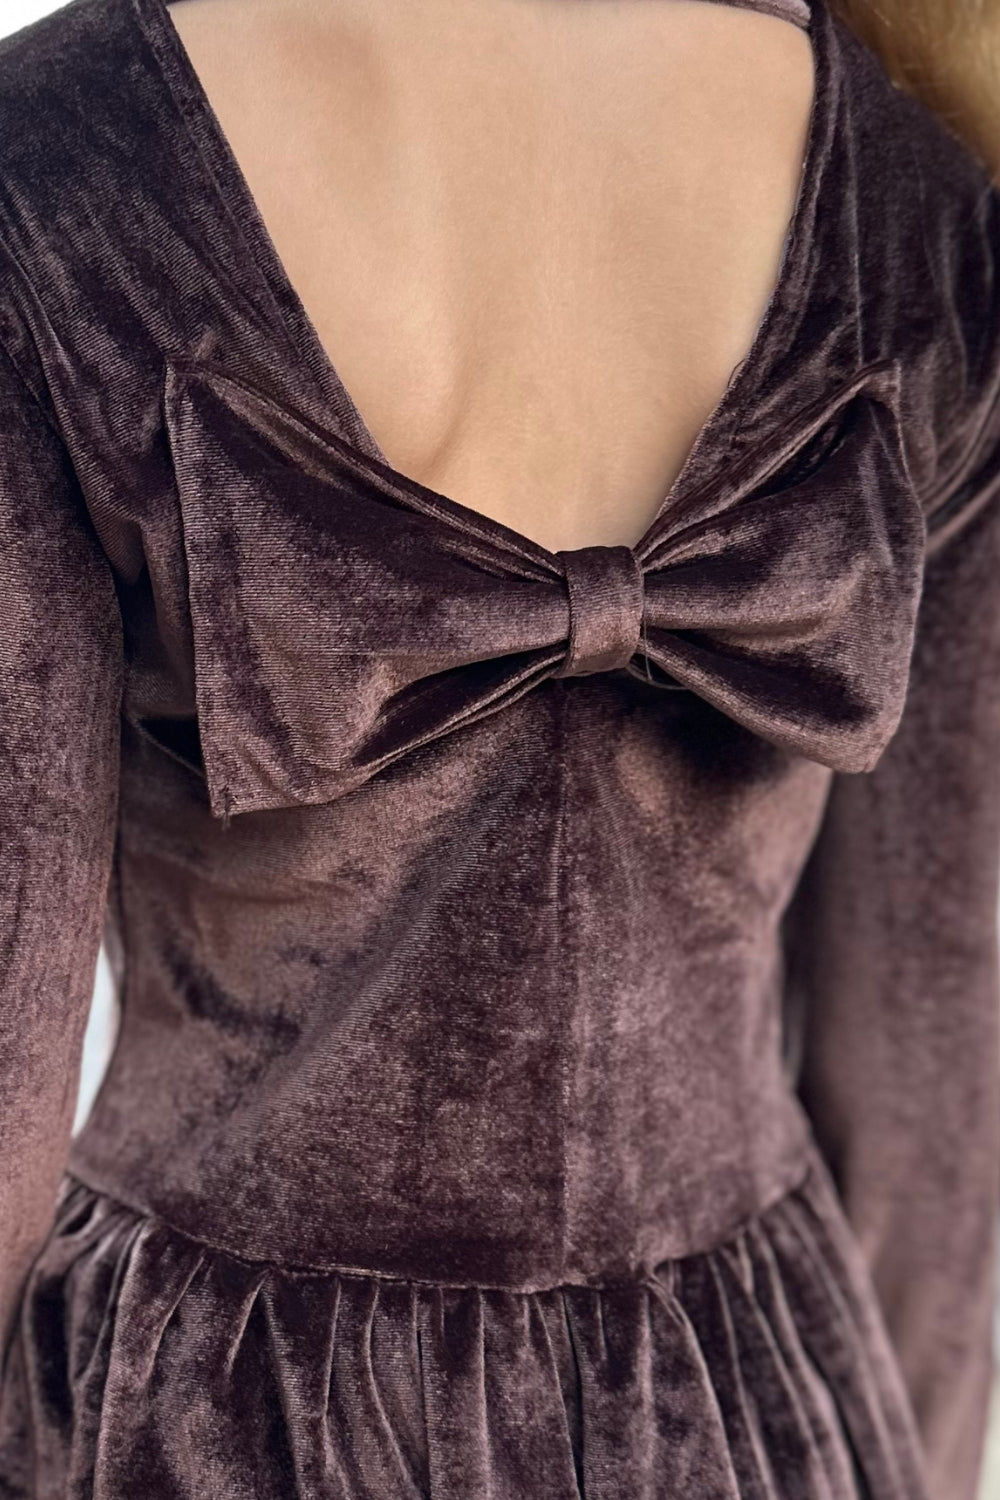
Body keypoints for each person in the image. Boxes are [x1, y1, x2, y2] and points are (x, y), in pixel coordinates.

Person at [0, 1, 996, 1497]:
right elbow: (931, 1048)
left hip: (218, 1409)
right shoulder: (922, 205)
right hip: (746, 1408)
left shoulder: (58, 165)